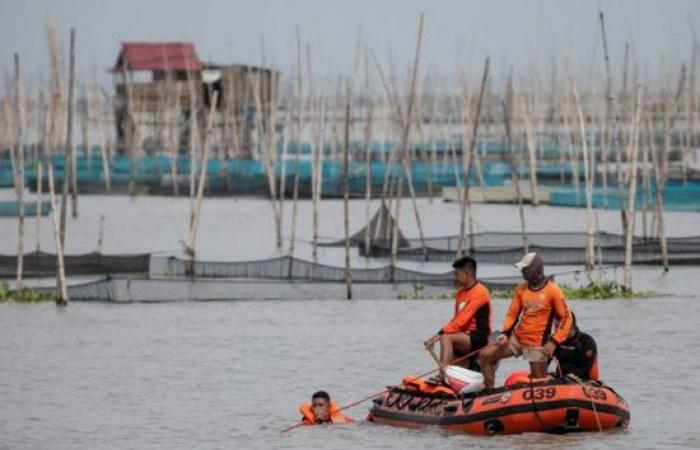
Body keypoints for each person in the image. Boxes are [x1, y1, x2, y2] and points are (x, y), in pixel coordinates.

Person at [479, 252, 573, 389]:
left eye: (525, 268)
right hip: (517, 338)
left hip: (538, 344)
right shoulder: (521, 289)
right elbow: (512, 314)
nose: (522, 271)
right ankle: (488, 394)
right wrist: (505, 333)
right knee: (484, 356)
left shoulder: (553, 290)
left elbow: (566, 317)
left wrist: (553, 342)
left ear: (536, 269)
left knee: (538, 383)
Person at [424, 256, 491, 374]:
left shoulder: (480, 292)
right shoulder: (460, 293)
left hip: (479, 337)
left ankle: (442, 375)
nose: (455, 278)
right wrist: (435, 336)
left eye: (457, 274)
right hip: (463, 336)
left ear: (468, 274)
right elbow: (456, 319)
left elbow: (462, 320)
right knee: (446, 337)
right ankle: (448, 379)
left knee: (446, 337)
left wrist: (439, 335)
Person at [553, 313, 600, 381]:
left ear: (570, 326)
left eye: (559, 327)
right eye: (555, 326)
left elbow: (585, 367)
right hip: (561, 379)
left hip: (583, 380)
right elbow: (545, 361)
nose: (556, 330)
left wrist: (568, 377)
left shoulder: (586, 341)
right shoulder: (554, 341)